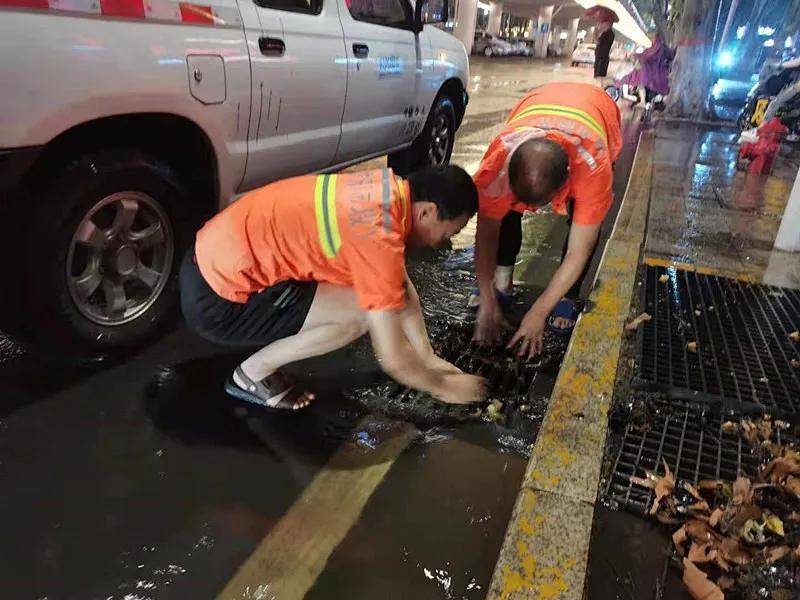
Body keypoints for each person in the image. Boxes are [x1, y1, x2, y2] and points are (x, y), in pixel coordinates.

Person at [180, 166, 486, 410]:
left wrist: (427, 355)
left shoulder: (382, 191)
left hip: (205, 258)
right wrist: (443, 387)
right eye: (448, 234)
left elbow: (397, 283)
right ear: (427, 212)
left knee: (367, 290)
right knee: (360, 315)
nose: (442, 243)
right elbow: (391, 358)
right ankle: (252, 374)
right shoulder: (378, 236)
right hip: (217, 301)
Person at [471, 82, 622, 357]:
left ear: (566, 179)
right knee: (505, 213)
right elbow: (485, 234)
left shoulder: (592, 169)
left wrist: (538, 312)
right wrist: (487, 297)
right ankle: (502, 283)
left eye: (539, 204)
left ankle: (567, 296)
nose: (532, 210)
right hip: (537, 100)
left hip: (597, 108)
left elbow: (579, 251)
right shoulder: (498, 160)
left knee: (584, 219)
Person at [620, 34, 675, 112]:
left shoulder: (643, 64)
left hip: (665, 83)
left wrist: (640, 100)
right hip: (665, 84)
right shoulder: (639, 74)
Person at [594, 21, 615, 85]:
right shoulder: (612, 33)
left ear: (608, 24)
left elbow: (597, 42)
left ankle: (599, 87)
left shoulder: (606, 33)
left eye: (604, 23)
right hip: (605, 55)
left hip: (601, 55)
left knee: (599, 74)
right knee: (602, 73)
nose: (603, 24)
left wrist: (595, 32)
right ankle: (600, 85)